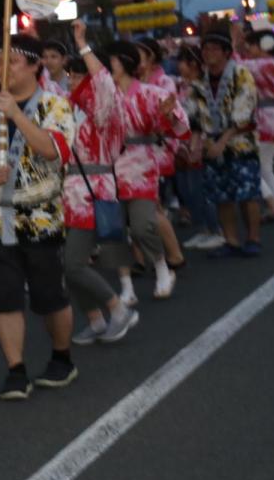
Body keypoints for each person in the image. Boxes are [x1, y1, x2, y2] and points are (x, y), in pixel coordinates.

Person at [0, 35, 76, 400]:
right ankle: (15, 369)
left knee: (50, 297)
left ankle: (62, 357)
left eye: (13, 60)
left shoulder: (55, 105)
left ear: (36, 65)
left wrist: (17, 114)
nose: (3, 67)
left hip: (41, 216)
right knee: (3, 299)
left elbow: (54, 151)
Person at [65, 23, 140, 345]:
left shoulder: (105, 108)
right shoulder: (72, 107)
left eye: (74, 74)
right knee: (67, 263)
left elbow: (104, 81)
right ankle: (95, 320)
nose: (69, 80)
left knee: (72, 262)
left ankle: (118, 308)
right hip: (71, 192)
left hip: (92, 190)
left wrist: (83, 45)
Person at [108, 40, 184, 303]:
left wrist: (168, 116)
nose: (109, 66)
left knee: (142, 225)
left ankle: (163, 268)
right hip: (106, 168)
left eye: (113, 60)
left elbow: (177, 127)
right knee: (113, 230)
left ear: (126, 63)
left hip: (140, 166)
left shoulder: (151, 92)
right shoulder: (102, 96)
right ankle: (125, 283)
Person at [195, 29, 261, 257]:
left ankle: (253, 237)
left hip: (240, 142)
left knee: (247, 193)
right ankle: (231, 240)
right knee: (221, 195)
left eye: (214, 49)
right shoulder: (200, 80)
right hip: (211, 145)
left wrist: (222, 141)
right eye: (205, 49)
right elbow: (193, 114)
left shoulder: (241, 74)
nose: (208, 53)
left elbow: (244, 112)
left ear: (226, 52)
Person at [135, 36, 188, 272]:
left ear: (151, 56)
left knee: (150, 205)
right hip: (135, 150)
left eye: (139, 54)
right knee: (138, 206)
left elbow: (172, 116)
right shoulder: (132, 81)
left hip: (157, 146)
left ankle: (173, 254)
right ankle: (142, 258)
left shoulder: (163, 81)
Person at [175, 46, 225, 250]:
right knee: (191, 190)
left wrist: (196, 143)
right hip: (186, 141)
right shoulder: (185, 85)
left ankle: (216, 229)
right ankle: (205, 228)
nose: (179, 66)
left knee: (202, 188)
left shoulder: (201, 86)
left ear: (193, 64)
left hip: (199, 141)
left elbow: (200, 119)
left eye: (182, 61)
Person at [235, 29, 274, 222]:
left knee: (252, 165)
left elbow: (237, 66)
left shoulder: (264, 64)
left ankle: (272, 202)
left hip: (263, 118)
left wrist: (233, 46)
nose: (248, 49)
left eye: (251, 45)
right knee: (266, 165)